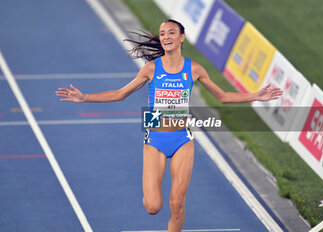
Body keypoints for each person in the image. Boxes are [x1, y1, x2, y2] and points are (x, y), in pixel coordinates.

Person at [56, 19, 282, 232]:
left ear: (181, 37)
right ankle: (148, 193)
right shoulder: (151, 69)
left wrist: (256, 96)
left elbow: (222, 96)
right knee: (153, 207)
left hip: (182, 139)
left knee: (177, 204)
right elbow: (120, 94)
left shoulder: (194, 69)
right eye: (162, 33)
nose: (166, 36)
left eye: (171, 32)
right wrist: (85, 97)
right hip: (155, 139)